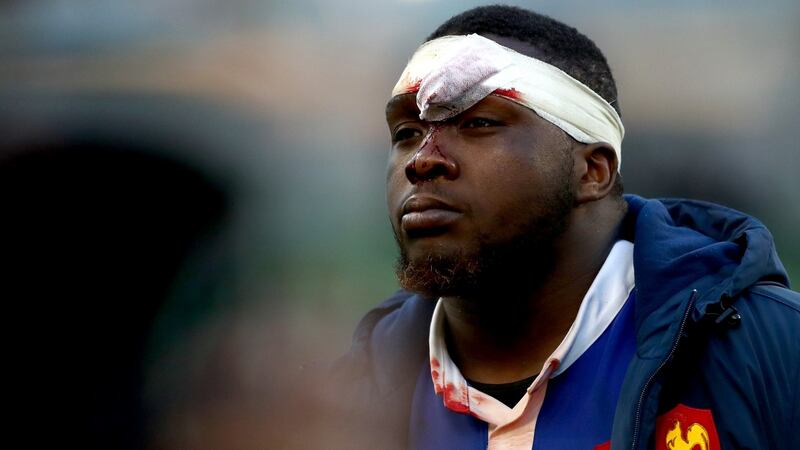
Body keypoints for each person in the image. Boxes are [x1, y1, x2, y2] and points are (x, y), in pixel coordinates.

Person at [327, 5, 800, 450]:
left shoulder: (770, 351)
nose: (422, 160)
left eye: (479, 123)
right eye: (406, 133)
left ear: (592, 171)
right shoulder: (351, 395)